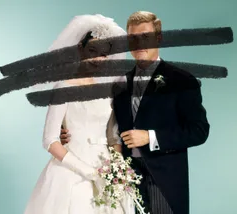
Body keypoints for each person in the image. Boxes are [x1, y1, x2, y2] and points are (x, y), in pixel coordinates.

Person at [60, 11, 210, 214]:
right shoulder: (119, 83)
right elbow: (107, 125)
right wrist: (69, 129)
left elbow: (199, 130)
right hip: (126, 180)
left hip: (165, 181)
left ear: (158, 38)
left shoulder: (182, 80)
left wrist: (150, 137)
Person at [24, 14, 134, 214]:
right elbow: (50, 140)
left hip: (105, 166)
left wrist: (115, 168)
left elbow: (113, 135)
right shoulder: (63, 87)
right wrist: (89, 172)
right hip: (72, 168)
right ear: (79, 49)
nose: (97, 59)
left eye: (103, 54)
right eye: (92, 51)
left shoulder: (109, 91)